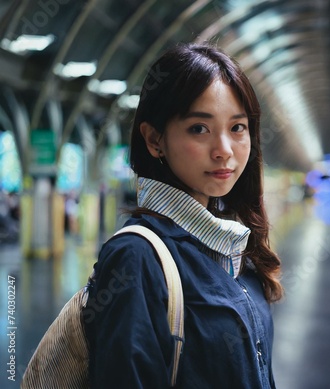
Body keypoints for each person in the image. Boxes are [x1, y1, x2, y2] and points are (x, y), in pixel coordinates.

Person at [84, 42, 284, 388]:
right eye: (199, 129)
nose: (224, 150)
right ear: (154, 139)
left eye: (237, 128)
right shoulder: (137, 257)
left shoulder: (233, 246)